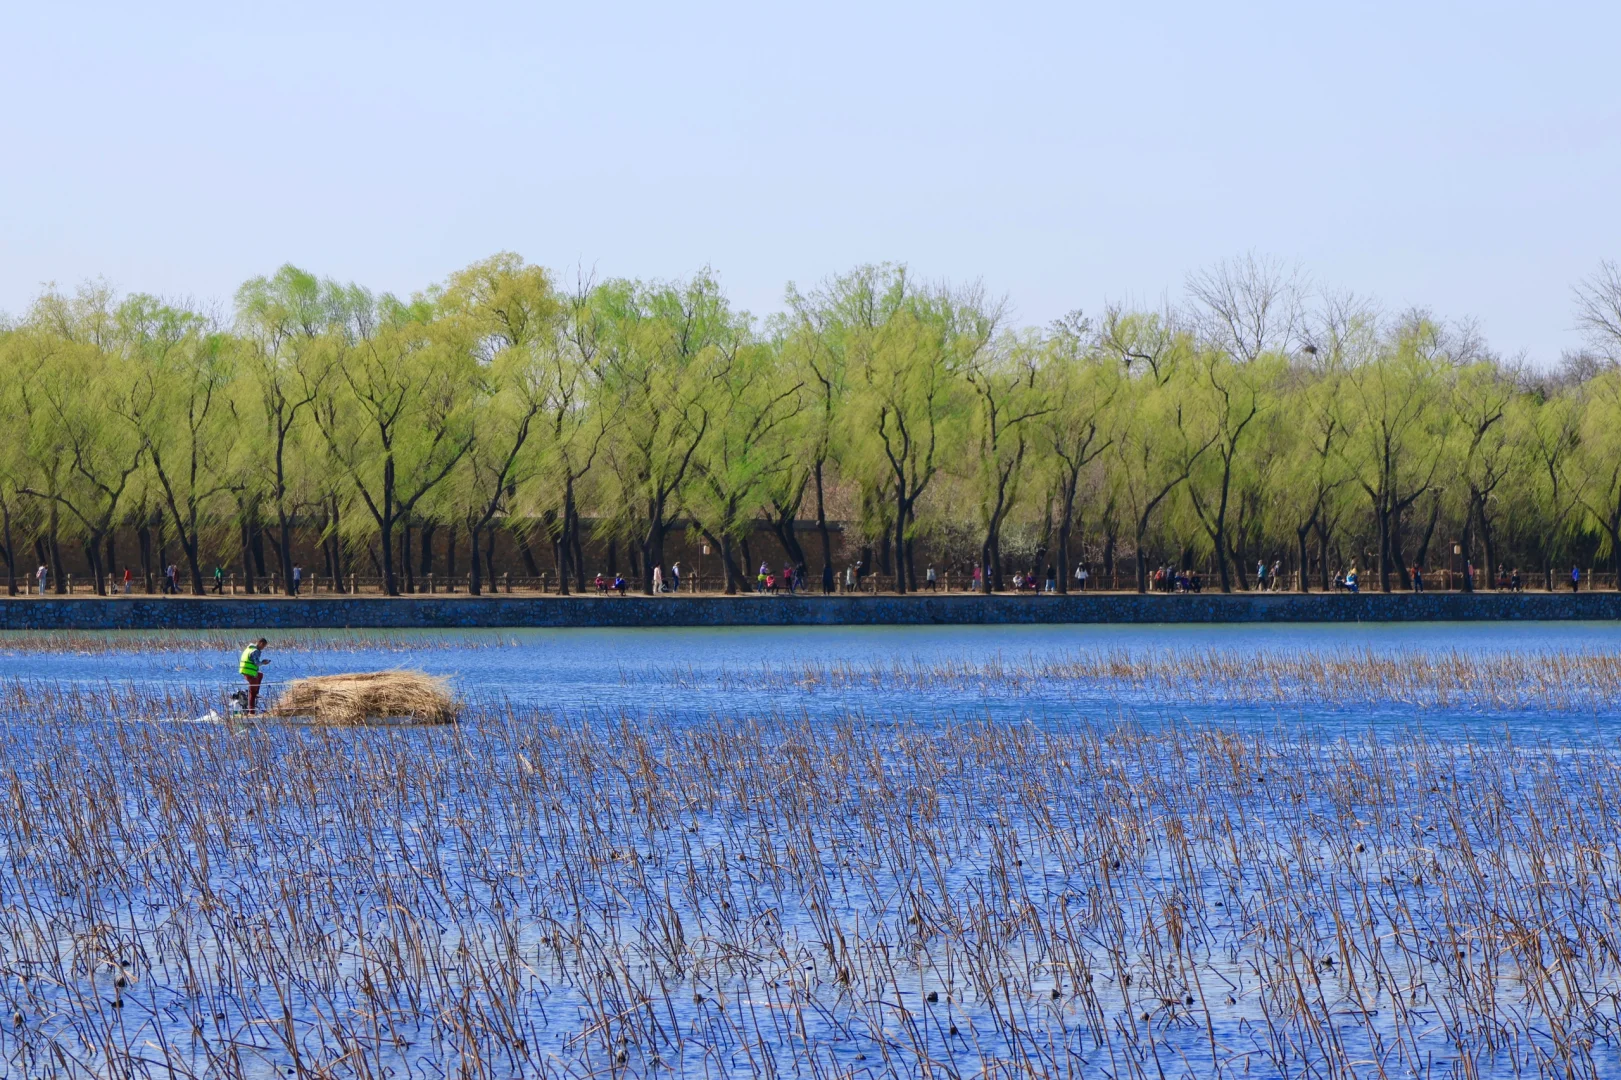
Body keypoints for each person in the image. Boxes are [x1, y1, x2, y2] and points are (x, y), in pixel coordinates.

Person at [238, 637, 269, 715]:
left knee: (260, 675)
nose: (263, 648)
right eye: (263, 646)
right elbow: (256, 663)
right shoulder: (255, 651)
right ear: (261, 643)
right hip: (249, 672)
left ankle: (256, 693)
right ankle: (251, 712)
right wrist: (263, 662)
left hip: (246, 671)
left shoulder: (249, 648)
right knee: (252, 691)